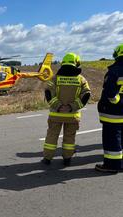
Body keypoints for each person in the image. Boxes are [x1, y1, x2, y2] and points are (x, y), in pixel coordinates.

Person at [42, 53, 91, 166]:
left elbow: (48, 93)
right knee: (69, 138)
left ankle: (47, 159)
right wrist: (71, 107)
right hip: (72, 116)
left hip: (56, 115)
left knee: (51, 137)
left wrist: (58, 106)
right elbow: (86, 95)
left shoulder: (55, 78)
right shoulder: (81, 79)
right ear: (76, 63)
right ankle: (67, 159)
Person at [95, 44, 123, 174]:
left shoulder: (115, 70)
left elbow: (110, 91)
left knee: (112, 138)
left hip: (114, 112)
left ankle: (112, 165)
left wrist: (116, 102)